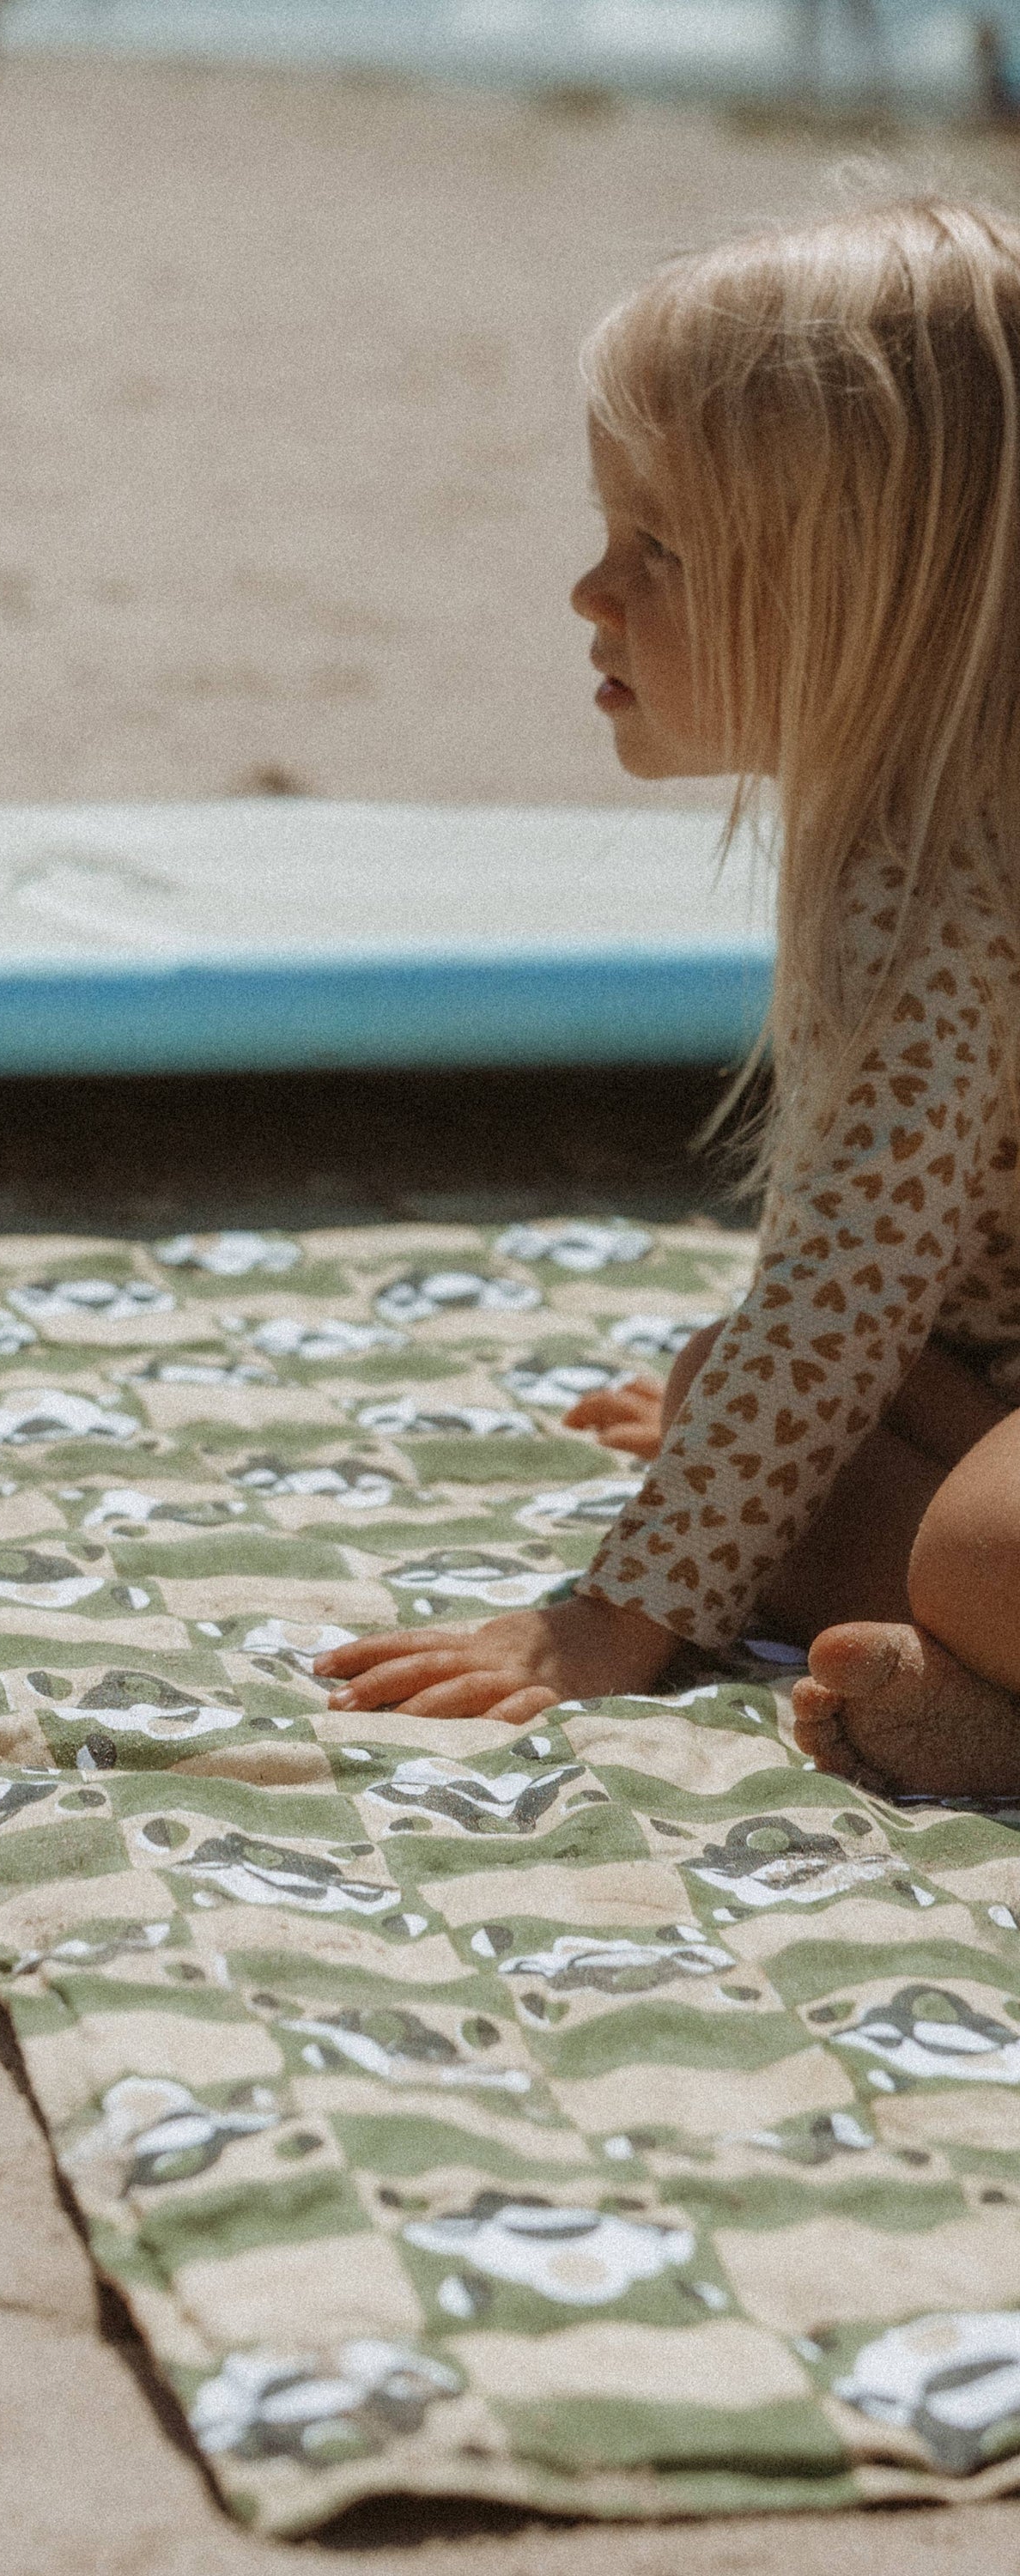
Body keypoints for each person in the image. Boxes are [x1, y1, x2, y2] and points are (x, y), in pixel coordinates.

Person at [315, 195, 1020, 1801]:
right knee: (738, 1402)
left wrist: (613, 1618)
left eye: (662, 550)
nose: (591, 591)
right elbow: (852, 1302)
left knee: (966, 1542)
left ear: (861, 586)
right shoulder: (909, 820)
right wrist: (727, 1464)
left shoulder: (951, 882)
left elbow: (851, 1270)